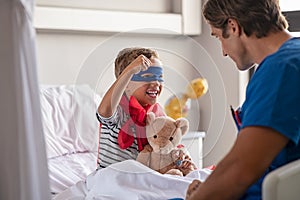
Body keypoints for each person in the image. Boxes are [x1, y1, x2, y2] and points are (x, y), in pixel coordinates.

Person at [186, 0, 300, 199]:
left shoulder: (281, 69)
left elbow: (240, 170)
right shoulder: (291, 58)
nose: (223, 51)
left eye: (219, 37)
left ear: (233, 26)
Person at [96, 47, 195, 173]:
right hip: (112, 177)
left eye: (160, 77)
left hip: (143, 178)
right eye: (147, 76)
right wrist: (129, 71)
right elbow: (104, 111)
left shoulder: (158, 115)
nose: (156, 83)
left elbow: (166, 145)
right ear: (126, 84)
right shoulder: (118, 110)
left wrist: (180, 159)